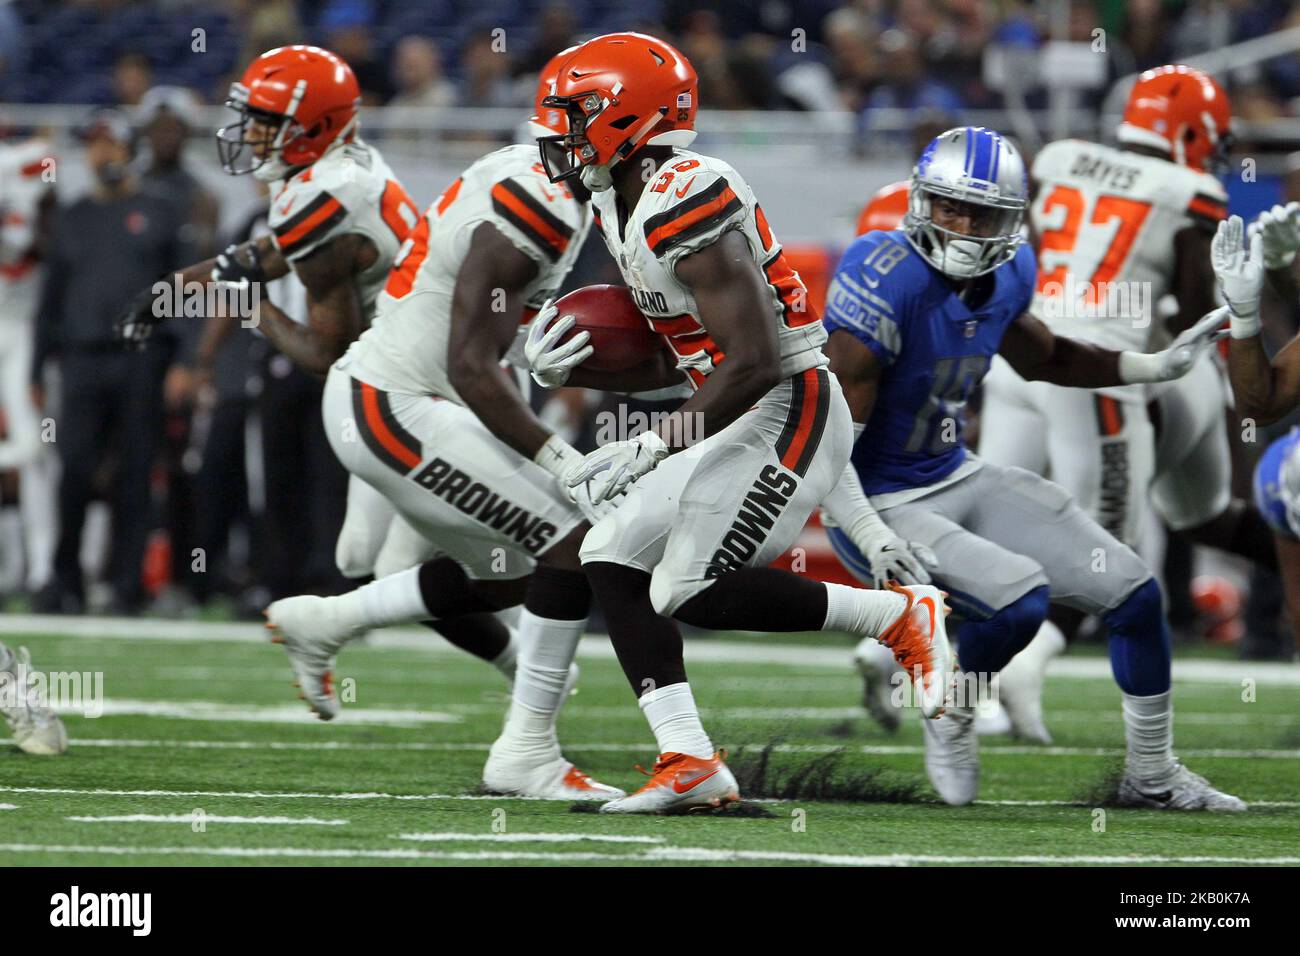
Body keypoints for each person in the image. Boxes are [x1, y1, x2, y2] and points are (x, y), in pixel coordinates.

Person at [525, 33, 955, 814]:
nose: (556, 127)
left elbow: (757, 358)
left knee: (684, 585)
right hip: (735, 409)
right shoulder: (615, 197)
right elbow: (682, 357)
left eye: (575, 110)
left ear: (629, 114)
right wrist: (575, 367)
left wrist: (655, 440)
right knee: (610, 555)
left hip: (788, 406)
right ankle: (690, 761)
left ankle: (898, 617)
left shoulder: (686, 190)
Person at [820, 125, 1243, 810]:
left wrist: (1150, 365)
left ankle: (1153, 773)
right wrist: (869, 535)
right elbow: (828, 441)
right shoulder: (885, 274)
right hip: (876, 500)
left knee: (1135, 593)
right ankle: (953, 707)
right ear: (921, 200)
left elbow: (1043, 356)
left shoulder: (1011, 270)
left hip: (952, 472)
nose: (957, 225)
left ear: (1010, 218)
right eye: (946, 205)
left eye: (977, 211)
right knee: (1022, 600)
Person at [257, 49, 626, 801]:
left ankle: (328, 621)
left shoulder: (528, 168)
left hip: (403, 393)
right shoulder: (546, 206)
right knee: (571, 541)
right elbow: (468, 362)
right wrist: (562, 458)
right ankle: (527, 754)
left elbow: (471, 324)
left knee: (508, 574)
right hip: (396, 402)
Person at [120, 46, 510, 670]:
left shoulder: (327, 196)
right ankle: (530, 648)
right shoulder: (333, 172)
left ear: (313, 127)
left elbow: (325, 352)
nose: (248, 133)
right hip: (409, 369)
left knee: (424, 562)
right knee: (361, 558)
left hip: (428, 386)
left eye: (265, 121)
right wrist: (169, 290)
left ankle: (534, 665)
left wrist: (249, 307)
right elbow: (261, 256)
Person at [975, 66, 1279, 743]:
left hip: (1020, 355)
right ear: (1192, 132)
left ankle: (911, 655)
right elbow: (1204, 311)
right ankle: (1023, 669)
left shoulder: (1058, 157)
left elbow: (1024, 255)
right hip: (1101, 371)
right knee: (1107, 550)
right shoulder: (1190, 188)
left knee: (987, 528)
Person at [34, 109, 192, 614]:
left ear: (129, 149)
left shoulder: (161, 211)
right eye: (94, 146)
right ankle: (65, 582)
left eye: (110, 144)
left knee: (135, 473)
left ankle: (128, 585)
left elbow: (183, 295)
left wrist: (185, 360)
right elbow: (50, 301)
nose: (102, 154)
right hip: (81, 361)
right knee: (74, 471)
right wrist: (37, 366)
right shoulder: (73, 217)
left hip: (141, 359)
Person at [0, 131, 57, 605]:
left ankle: (42, 569)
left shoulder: (24, 166)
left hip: (19, 326)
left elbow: (37, 241)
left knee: (34, 452)